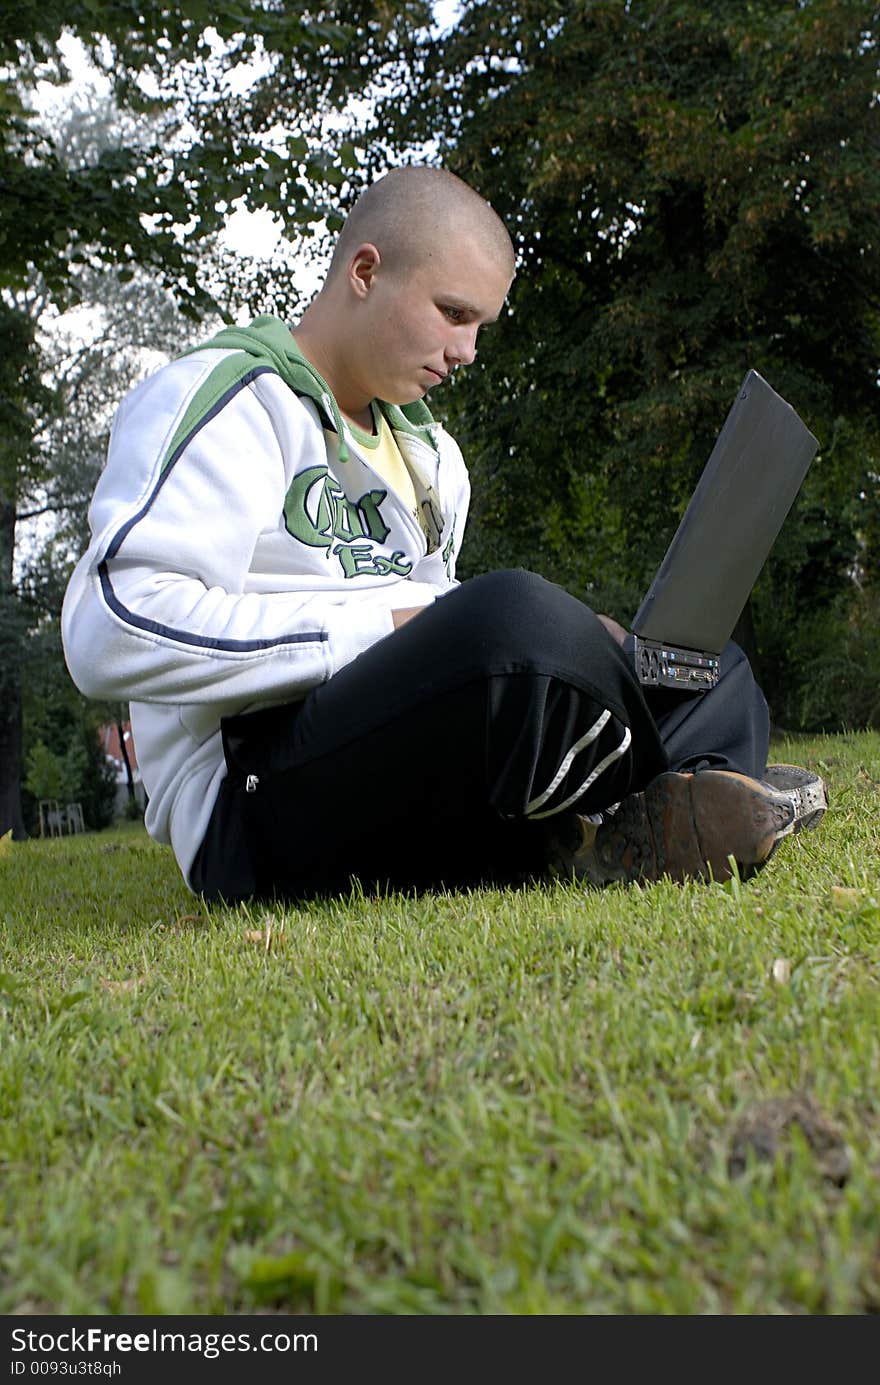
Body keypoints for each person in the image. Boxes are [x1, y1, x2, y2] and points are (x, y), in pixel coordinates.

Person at [61, 165, 827, 902]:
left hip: (398, 764)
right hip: (250, 799)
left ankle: (662, 810)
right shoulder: (229, 399)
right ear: (365, 271)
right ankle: (675, 791)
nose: (466, 351)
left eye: (480, 326)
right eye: (453, 314)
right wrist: (386, 626)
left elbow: (446, 649)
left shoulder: (431, 455)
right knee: (517, 621)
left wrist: (599, 651)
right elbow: (108, 628)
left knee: (703, 663)